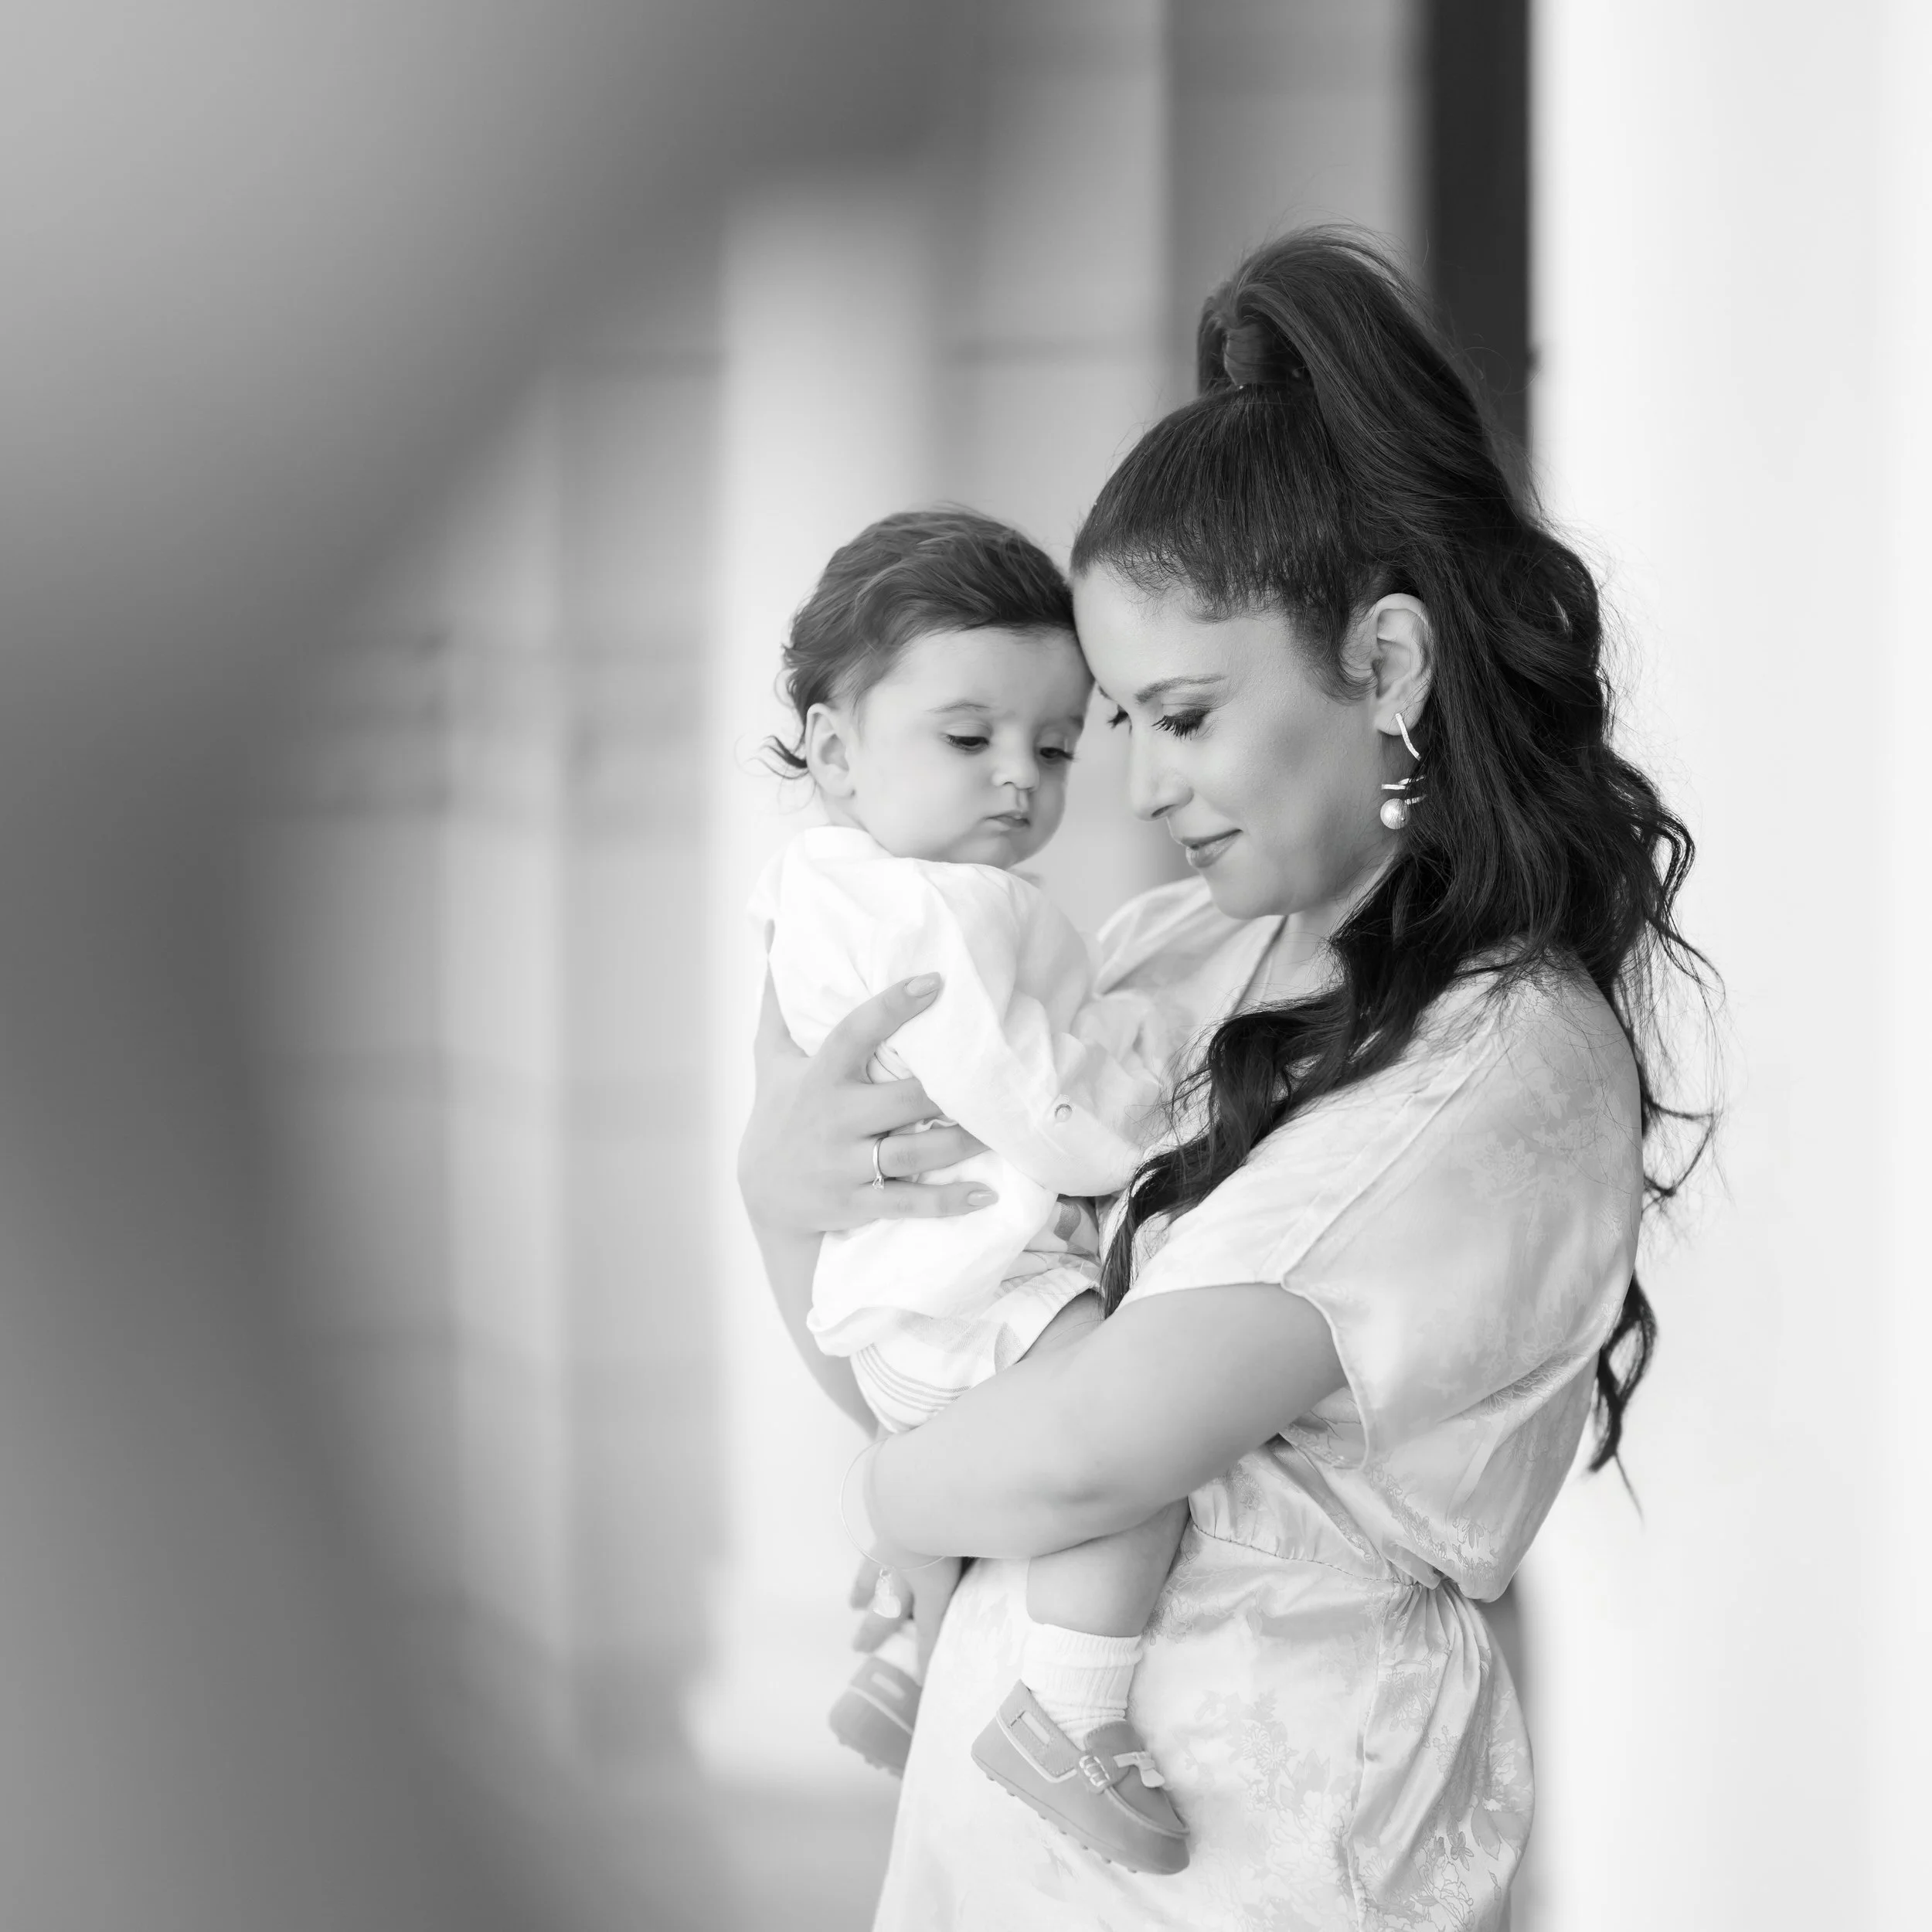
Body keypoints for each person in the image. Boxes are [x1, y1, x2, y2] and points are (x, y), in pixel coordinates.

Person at [740, 227, 1707, 1929]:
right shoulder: (1172, 950)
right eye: (1117, 724)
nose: (1134, 787)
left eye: (1180, 715)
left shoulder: (1497, 1052)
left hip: (1265, 1864)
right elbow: (926, 1365)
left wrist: (898, 1503)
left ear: (1385, 669)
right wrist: (779, 1191)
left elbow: (1077, 1450)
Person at [751, 507, 1191, 1866]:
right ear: (835, 749)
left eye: (1054, 749)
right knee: (1130, 1451)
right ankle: (1068, 1709)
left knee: (986, 1478)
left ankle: (904, 1658)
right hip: (967, 1284)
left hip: (900, 1295)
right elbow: (1022, 1090)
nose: (1019, 779)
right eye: (968, 738)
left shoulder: (830, 885)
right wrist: (1141, 1141)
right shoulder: (935, 907)